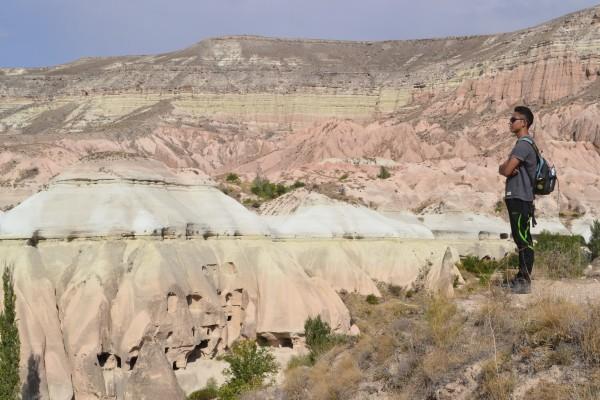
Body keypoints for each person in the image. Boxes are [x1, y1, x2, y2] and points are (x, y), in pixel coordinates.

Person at [498, 106, 538, 294]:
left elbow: (505, 170)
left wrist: (505, 168)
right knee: (521, 237)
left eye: (513, 119)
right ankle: (521, 278)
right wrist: (505, 167)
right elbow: (505, 168)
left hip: (520, 197)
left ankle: (524, 281)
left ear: (523, 123)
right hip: (520, 197)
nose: (510, 122)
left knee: (522, 239)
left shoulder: (523, 144)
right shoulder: (524, 144)